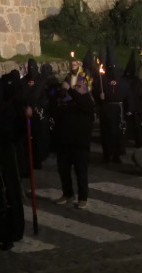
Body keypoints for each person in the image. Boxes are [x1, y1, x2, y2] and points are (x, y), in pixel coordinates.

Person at [52, 75, 95, 208]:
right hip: (66, 141)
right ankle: (68, 193)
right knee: (63, 170)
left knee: (81, 171)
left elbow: (82, 103)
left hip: (80, 143)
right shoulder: (70, 101)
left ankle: (83, 197)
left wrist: (70, 90)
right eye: (76, 87)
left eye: (79, 87)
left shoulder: (88, 101)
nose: (77, 89)